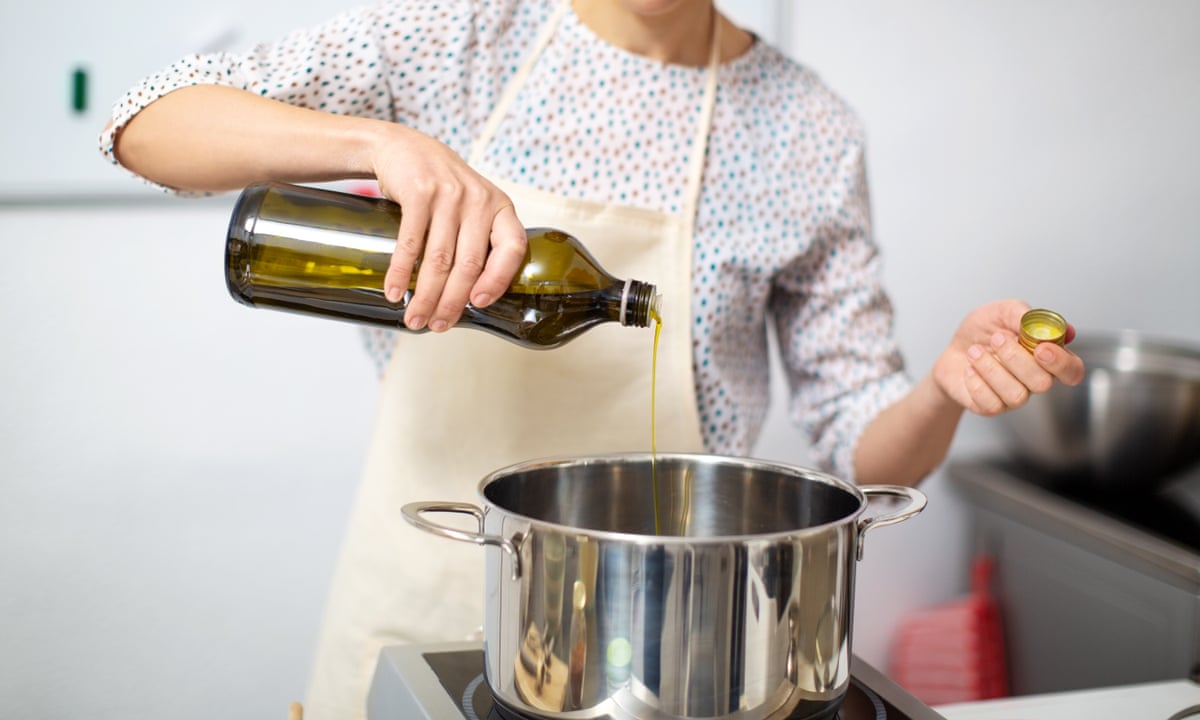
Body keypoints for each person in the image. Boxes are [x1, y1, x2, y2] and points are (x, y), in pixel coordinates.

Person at [100, 1, 1085, 717]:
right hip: (413, 630)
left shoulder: (808, 132)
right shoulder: (463, 37)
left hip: (669, 670)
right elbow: (144, 125)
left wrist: (944, 393)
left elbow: (868, 461)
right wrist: (378, 141)